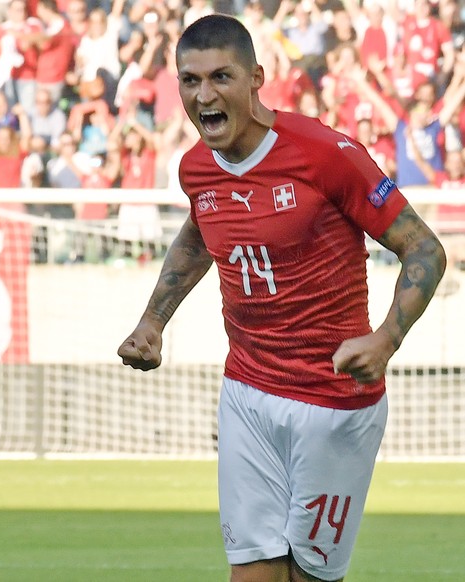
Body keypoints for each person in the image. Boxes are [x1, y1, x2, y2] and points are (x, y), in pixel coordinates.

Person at [117, 15, 446, 582]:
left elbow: (425, 250)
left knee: (307, 577)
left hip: (332, 401)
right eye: (190, 81)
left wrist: (386, 339)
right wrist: (153, 321)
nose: (205, 94)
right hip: (246, 391)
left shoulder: (326, 153)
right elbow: (201, 231)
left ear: (256, 79)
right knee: (251, 573)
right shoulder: (196, 168)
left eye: (221, 76)